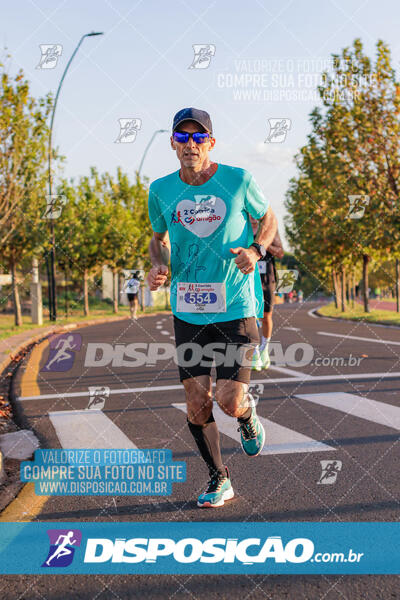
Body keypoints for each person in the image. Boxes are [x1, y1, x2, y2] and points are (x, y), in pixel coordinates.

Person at [147, 107, 277, 508]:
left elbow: (267, 217)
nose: (190, 145)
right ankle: (219, 478)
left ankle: (245, 413)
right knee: (197, 401)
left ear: (211, 142)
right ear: (172, 143)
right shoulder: (161, 190)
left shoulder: (238, 180)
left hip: (236, 304)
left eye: (198, 137)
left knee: (227, 399)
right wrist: (158, 263)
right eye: (182, 138)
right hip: (188, 308)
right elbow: (158, 237)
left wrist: (256, 251)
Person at [249, 216, 284, 370]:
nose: (252, 217)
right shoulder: (244, 230)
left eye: (255, 214)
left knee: (266, 316)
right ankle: (255, 352)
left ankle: (264, 349)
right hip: (249, 277)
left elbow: (281, 253)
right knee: (251, 316)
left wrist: (264, 244)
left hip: (267, 279)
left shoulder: (270, 231)